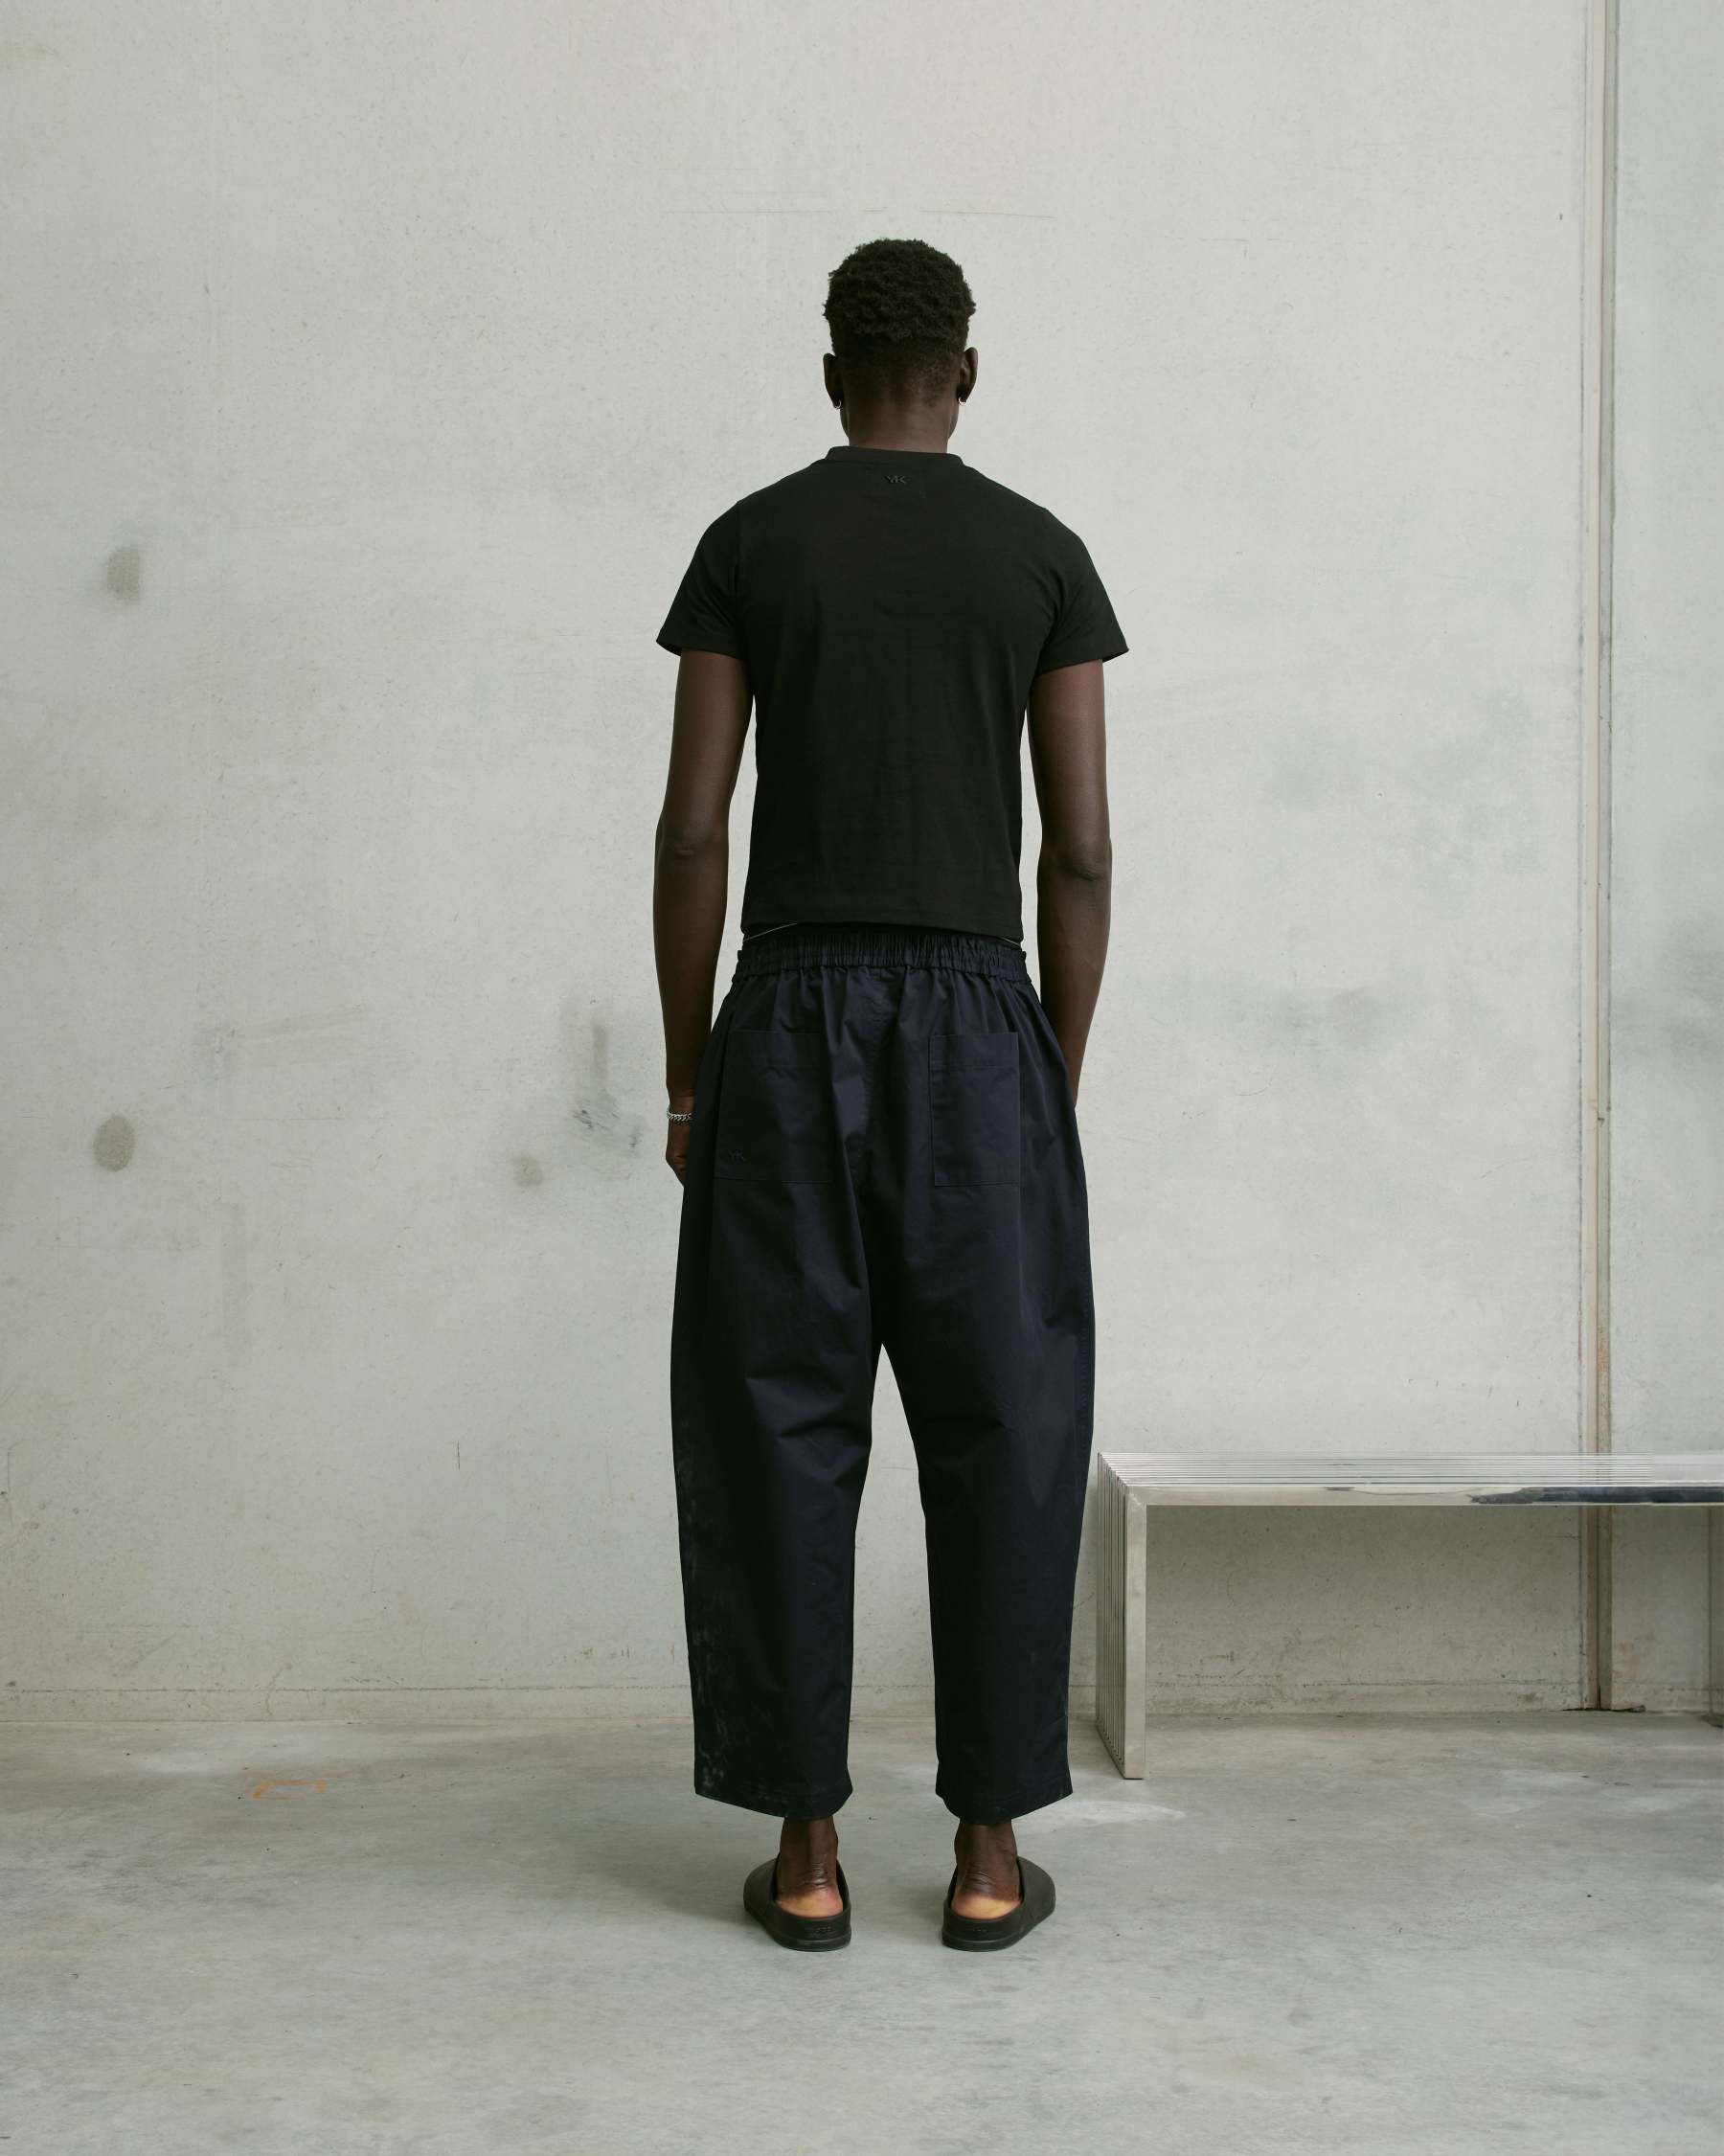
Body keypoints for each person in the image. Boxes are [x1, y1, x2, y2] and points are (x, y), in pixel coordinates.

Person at [652, 237, 1125, 1952]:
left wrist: (691, 1074)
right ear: (965, 375)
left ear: (831, 374)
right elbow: (1080, 849)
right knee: (1004, 1423)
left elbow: (693, 830)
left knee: (778, 1419)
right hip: (982, 1019)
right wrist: (1050, 1071)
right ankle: (989, 1854)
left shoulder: (750, 542)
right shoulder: (1040, 554)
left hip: (786, 1009)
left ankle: (806, 1852)